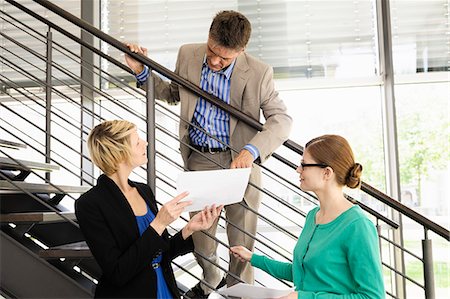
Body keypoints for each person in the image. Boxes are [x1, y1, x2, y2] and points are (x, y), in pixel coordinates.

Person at [124, 10, 292, 298]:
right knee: (200, 236)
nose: (215, 61)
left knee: (242, 241)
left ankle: (237, 292)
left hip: (242, 164)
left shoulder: (259, 72)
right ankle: (210, 278)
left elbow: (281, 120)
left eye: (224, 58)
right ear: (209, 37)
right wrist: (142, 70)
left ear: (242, 50)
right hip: (200, 158)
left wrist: (251, 151)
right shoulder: (188, 54)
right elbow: (172, 94)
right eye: (212, 51)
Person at [75, 120, 222, 298]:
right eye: (137, 141)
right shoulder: (89, 204)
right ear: (119, 153)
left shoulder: (144, 190)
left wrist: (189, 229)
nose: (145, 143)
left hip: (165, 290)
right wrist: (159, 224)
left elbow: (161, 253)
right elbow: (117, 272)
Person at [231, 135, 385, 298]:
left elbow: (373, 296)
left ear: (327, 172)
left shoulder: (357, 225)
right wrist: (252, 258)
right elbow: (302, 270)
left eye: (304, 165)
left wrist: (303, 297)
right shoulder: (313, 216)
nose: (298, 169)